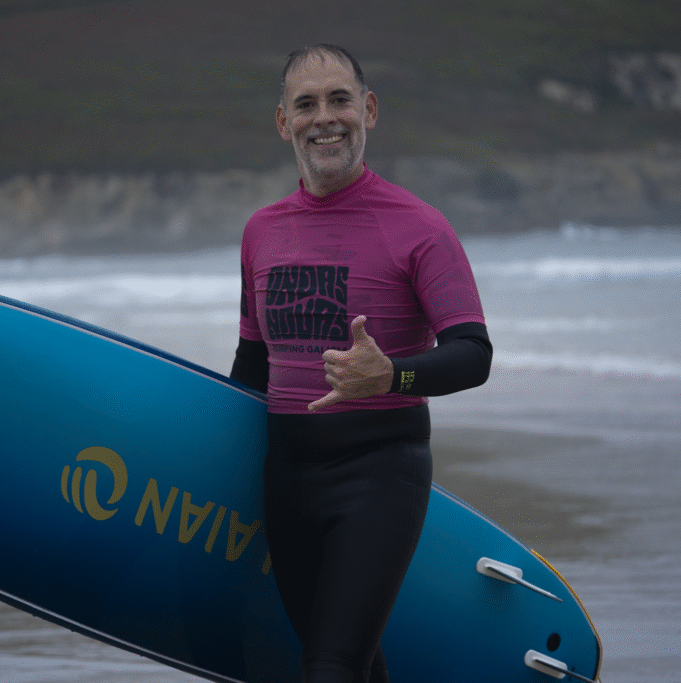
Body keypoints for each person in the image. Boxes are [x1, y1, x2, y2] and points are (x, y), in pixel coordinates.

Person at [230, 44, 492, 683]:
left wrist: (392, 375)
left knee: (330, 666)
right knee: (352, 665)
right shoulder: (261, 231)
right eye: (307, 104)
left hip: (379, 473)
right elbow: (251, 363)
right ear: (284, 123)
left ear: (368, 110)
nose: (326, 117)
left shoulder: (420, 228)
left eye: (340, 99)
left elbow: (473, 354)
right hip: (286, 478)